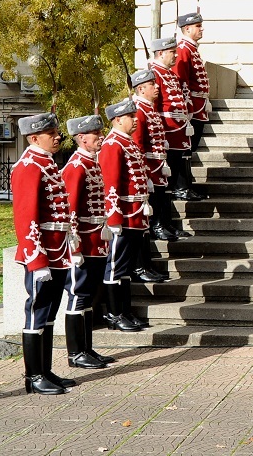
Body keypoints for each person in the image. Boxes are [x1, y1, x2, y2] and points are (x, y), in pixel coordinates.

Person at [11, 112, 77, 395]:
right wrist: (36, 260)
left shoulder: (47, 163)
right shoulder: (28, 166)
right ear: (34, 137)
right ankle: (33, 375)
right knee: (37, 312)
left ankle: (46, 369)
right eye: (52, 134)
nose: (58, 137)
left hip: (58, 249)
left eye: (57, 132)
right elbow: (26, 218)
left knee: (49, 313)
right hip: (43, 253)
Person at [61, 114, 116, 370]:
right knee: (77, 295)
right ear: (82, 138)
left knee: (90, 296)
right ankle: (75, 353)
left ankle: (87, 348)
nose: (101, 138)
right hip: (82, 241)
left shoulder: (92, 163)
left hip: (97, 240)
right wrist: (74, 247)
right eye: (96, 134)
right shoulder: (76, 166)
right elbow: (70, 209)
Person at [99, 98, 152, 333]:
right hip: (123, 215)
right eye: (131, 117)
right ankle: (113, 313)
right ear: (118, 120)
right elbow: (110, 184)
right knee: (114, 267)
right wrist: (114, 219)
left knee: (126, 267)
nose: (135, 121)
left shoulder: (127, 142)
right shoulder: (113, 144)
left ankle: (125, 311)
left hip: (135, 214)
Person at [132, 67, 182, 283]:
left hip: (157, 167)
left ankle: (147, 265)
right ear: (141, 88)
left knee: (155, 211)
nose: (157, 87)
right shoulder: (138, 110)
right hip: (149, 169)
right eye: (152, 85)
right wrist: (145, 175)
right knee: (145, 224)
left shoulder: (148, 108)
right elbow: (138, 146)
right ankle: (140, 266)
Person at [149, 36, 201, 201]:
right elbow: (153, 106)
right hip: (167, 128)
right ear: (161, 53)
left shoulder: (169, 73)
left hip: (178, 127)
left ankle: (181, 190)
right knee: (168, 172)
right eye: (172, 52)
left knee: (177, 164)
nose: (176, 55)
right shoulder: (154, 73)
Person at [174, 10, 211, 198]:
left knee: (190, 147)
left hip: (199, 105)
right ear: (187, 29)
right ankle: (182, 186)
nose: (201, 29)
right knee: (185, 147)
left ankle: (186, 184)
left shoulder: (192, 49)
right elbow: (181, 81)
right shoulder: (183, 49)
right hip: (191, 107)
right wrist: (186, 108)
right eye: (198, 26)